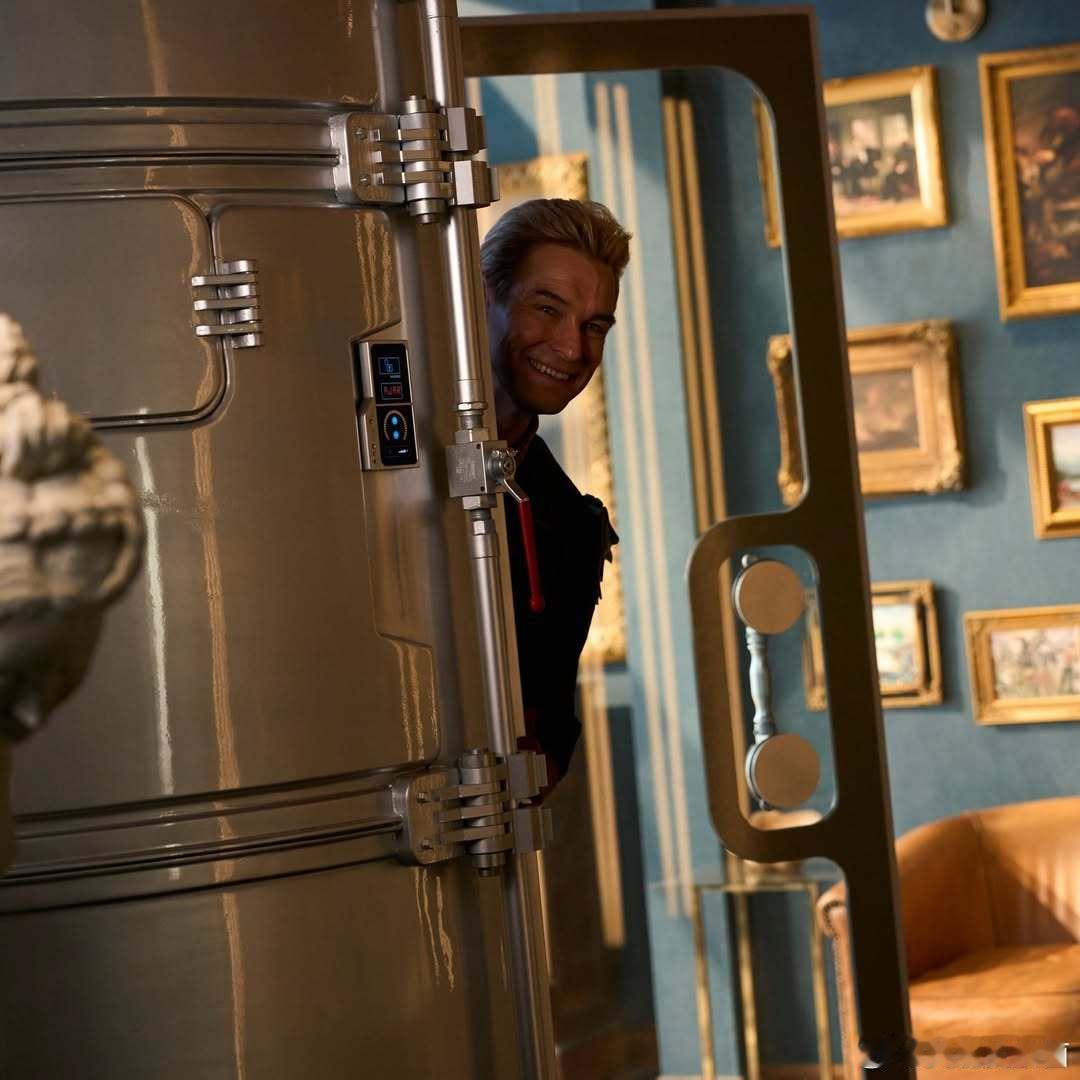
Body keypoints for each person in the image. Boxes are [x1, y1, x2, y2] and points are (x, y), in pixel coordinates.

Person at [479, 198, 630, 788]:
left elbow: (552, 739)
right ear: (480, 298)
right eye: (547, 308)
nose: (573, 349)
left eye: (594, 326)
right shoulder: (369, 452)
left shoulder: (572, 524)